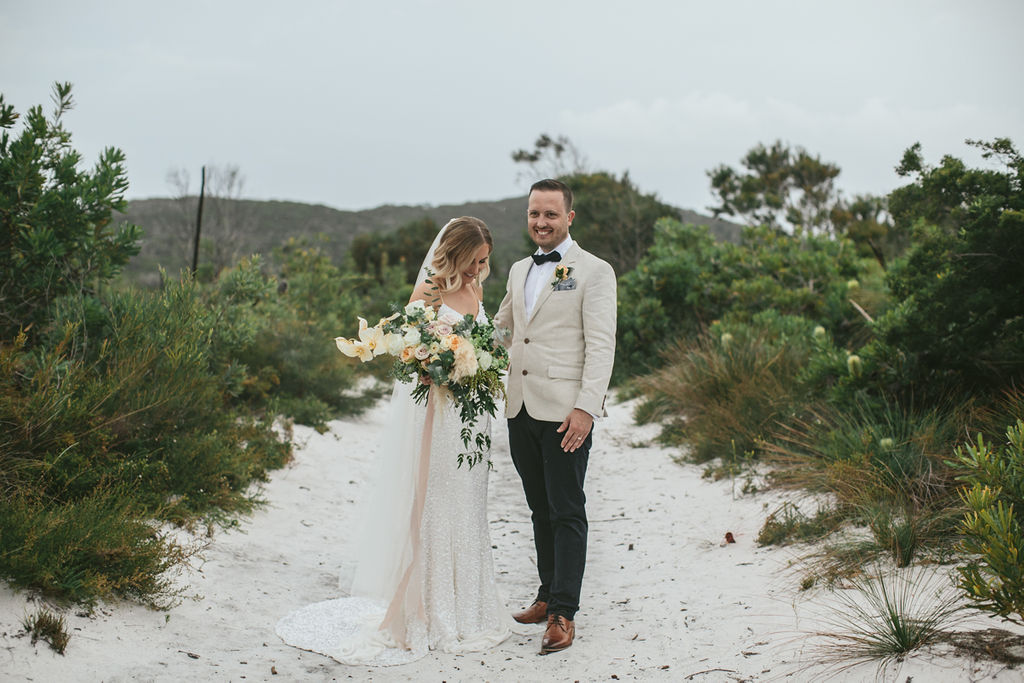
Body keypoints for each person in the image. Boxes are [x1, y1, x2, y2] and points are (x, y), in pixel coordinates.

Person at [276, 217, 512, 665]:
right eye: (475, 260)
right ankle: (429, 610)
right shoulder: (429, 293)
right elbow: (411, 354)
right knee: (437, 504)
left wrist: (483, 364)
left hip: (473, 418)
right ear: (456, 254)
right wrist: (440, 366)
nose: (480, 269)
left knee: (469, 503)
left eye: (485, 261)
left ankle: (470, 608)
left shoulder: (477, 289)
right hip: (441, 418)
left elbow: (485, 343)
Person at [494, 179, 617, 654]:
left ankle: (564, 613)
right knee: (538, 508)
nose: (540, 222)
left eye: (550, 214)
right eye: (533, 214)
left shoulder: (595, 271)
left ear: (569, 217)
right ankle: (546, 596)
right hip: (520, 405)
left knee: (567, 510)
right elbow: (503, 331)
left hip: (567, 414)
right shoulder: (519, 269)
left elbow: (601, 344)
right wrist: (448, 338)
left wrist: (587, 406)